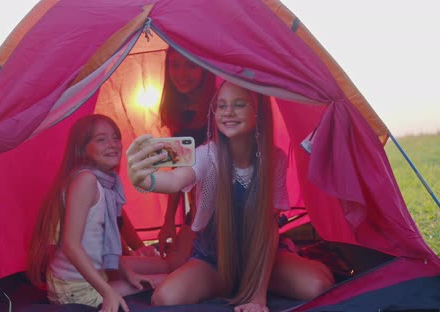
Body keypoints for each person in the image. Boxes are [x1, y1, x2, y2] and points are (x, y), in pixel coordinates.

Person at [126, 82, 335, 311]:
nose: (228, 112)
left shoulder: (274, 159)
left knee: (318, 285)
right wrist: (146, 180)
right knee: (165, 298)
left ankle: (296, 263)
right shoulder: (207, 154)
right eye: (221, 105)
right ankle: (227, 284)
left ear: (259, 112)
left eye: (239, 105)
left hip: (261, 258)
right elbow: (175, 180)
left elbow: (269, 230)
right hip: (215, 259)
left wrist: (258, 295)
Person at [27, 114, 166, 312]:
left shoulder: (105, 183)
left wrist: (129, 275)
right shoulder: (86, 181)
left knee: (159, 280)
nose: (112, 144)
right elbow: (70, 246)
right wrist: (108, 292)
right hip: (74, 289)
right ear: (82, 149)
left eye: (115, 137)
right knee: (165, 282)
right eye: (101, 139)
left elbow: (106, 242)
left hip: (87, 281)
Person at [156, 47, 216, 269]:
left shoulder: (219, 105)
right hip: (198, 209)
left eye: (191, 66)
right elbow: (178, 168)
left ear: (204, 69)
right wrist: (169, 220)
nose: (182, 74)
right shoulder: (178, 111)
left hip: (227, 207)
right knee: (173, 264)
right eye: (175, 65)